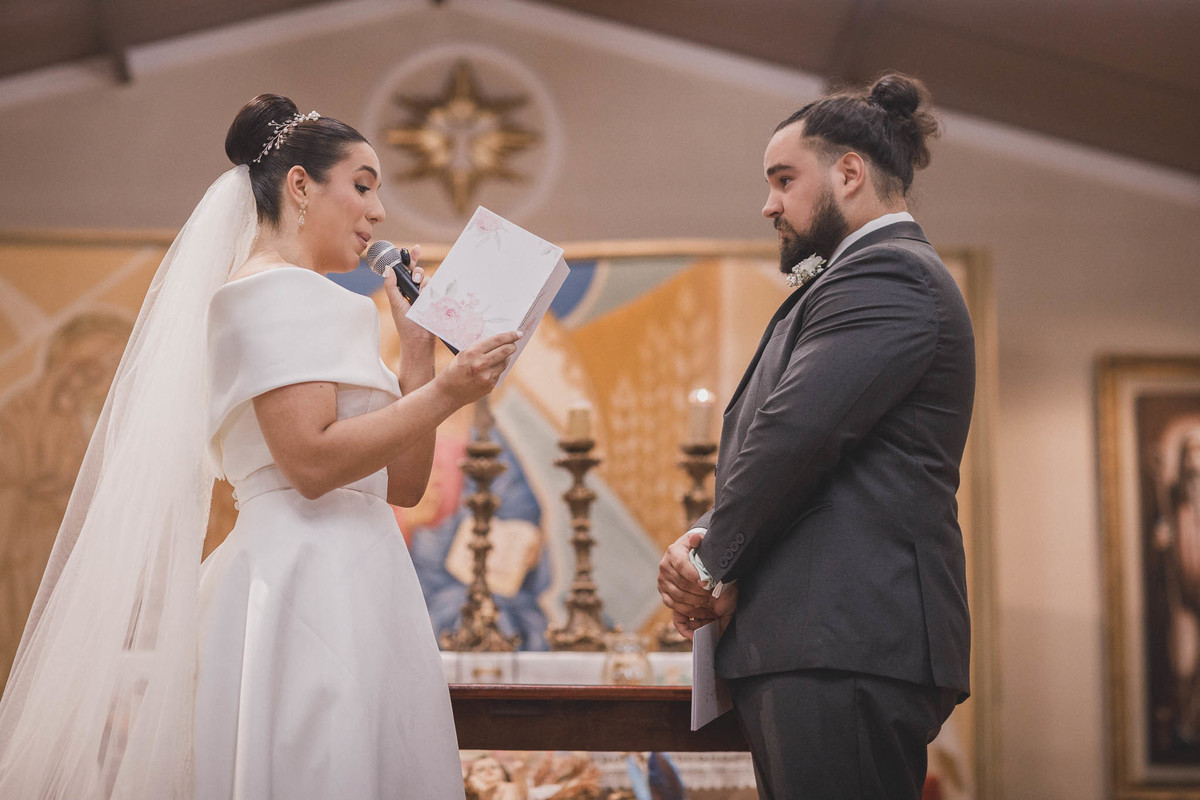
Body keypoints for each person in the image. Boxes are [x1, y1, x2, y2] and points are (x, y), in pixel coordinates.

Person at [0, 93, 520, 799]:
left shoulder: (329, 303)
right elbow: (309, 464)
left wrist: (420, 357)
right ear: (302, 185)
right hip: (305, 577)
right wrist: (451, 394)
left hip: (362, 572)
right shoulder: (270, 292)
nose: (379, 211)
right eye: (362, 185)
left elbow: (402, 486)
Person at [657, 73, 974, 799]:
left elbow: (796, 437)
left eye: (783, 179)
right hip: (820, 639)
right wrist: (708, 539)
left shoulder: (889, 273)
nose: (768, 203)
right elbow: (799, 454)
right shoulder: (854, 278)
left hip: (846, 639)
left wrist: (709, 568)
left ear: (850, 172)